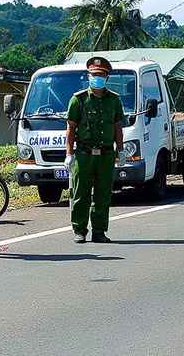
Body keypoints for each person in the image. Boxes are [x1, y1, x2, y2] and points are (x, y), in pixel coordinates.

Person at [64, 56, 124, 244]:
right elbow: (71, 129)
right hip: (84, 154)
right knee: (81, 193)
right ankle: (80, 230)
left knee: (103, 193)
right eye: (94, 74)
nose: (97, 78)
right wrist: (69, 154)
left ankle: (99, 230)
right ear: (88, 76)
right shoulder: (78, 100)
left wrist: (121, 150)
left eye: (101, 75)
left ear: (107, 78)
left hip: (106, 153)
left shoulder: (114, 100)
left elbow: (117, 127)